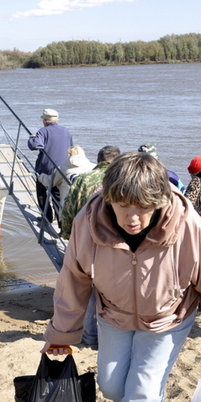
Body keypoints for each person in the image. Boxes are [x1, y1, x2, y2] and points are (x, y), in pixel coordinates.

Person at [42, 151, 201, 402]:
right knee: (110, 386)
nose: (133, 218)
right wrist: (60, 334)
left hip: (168, 318)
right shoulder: (88, 223)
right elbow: (74, 281)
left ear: (158, 201)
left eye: (144, 208)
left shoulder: (188, 225)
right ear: (109, 198)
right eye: (123, 207)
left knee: (142, 396)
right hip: (113, 316)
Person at [59, 145, 121, 349]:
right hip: (117, 245)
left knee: (87, 290)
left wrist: (68, 235)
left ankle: (90, 337)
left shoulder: (84, 179)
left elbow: (68, 210)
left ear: (98, 159)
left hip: (86, 243)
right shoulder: (122, 181)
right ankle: (112, 336)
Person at [27, 109, 73, 223]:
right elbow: (71, 147)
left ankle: (46, 218)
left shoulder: (43, 131)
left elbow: (35, 145)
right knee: (57, 196)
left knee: (42, 192)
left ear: (46, 121)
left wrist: (32, 138)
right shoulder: (66, 131)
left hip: (46, 168)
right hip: (62, 169)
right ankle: (60, 222)